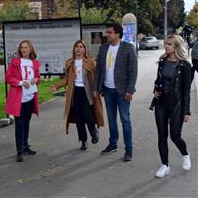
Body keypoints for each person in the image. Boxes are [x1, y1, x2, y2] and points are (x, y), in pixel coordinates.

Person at [93, 22, 138, 161]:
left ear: (118, 33)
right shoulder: (103, 48)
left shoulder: (128, 48)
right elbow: (99, 69)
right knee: (111, 120)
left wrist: (130, 90)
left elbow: (133, 71)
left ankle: (129, 149)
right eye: (107, 32)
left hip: (123, 91)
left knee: (125, 120)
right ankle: (113, 144)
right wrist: (96, 88)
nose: (107, 35)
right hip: (107, 90)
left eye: (110, 32)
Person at [51, 40, 104, 150]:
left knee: (88, 115)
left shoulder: (90, 62)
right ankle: (83, 141)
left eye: (81, 47)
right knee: (79, 118)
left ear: (84, 49)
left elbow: (97, 76)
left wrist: (97, 89)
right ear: (74, 49)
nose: (78, 49)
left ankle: (94, 132)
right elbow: (66, 80)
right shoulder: (70, 63)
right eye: (76, 47)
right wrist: (57, 86)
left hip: (87, 92)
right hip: (75, 93)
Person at [152, 34, 191, 178]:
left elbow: (186, 91)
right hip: (161, 103)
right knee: (162, 135)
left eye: (169, 44)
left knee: (175, 136)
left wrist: (187, 111)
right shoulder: (162, 61)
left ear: (176, 46)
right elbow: (158, 80)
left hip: (177, 105)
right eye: (166, 43)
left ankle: (185, 155)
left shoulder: (185, 66)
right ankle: (165, 165)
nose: (166, 46)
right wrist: (155, 90)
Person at [5, 40, 40, 162]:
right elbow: (8, 78)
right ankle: (19, 150)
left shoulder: (34, 63)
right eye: (22, 47)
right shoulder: (15, 62)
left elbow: (38, 77)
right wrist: (21, 82)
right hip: (18, 99)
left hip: (30, 97)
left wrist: (35, 79)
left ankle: (25, 146)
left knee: (27, 123)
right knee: (19, 124)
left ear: (31, 49)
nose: (24, 49)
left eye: (26, 47)